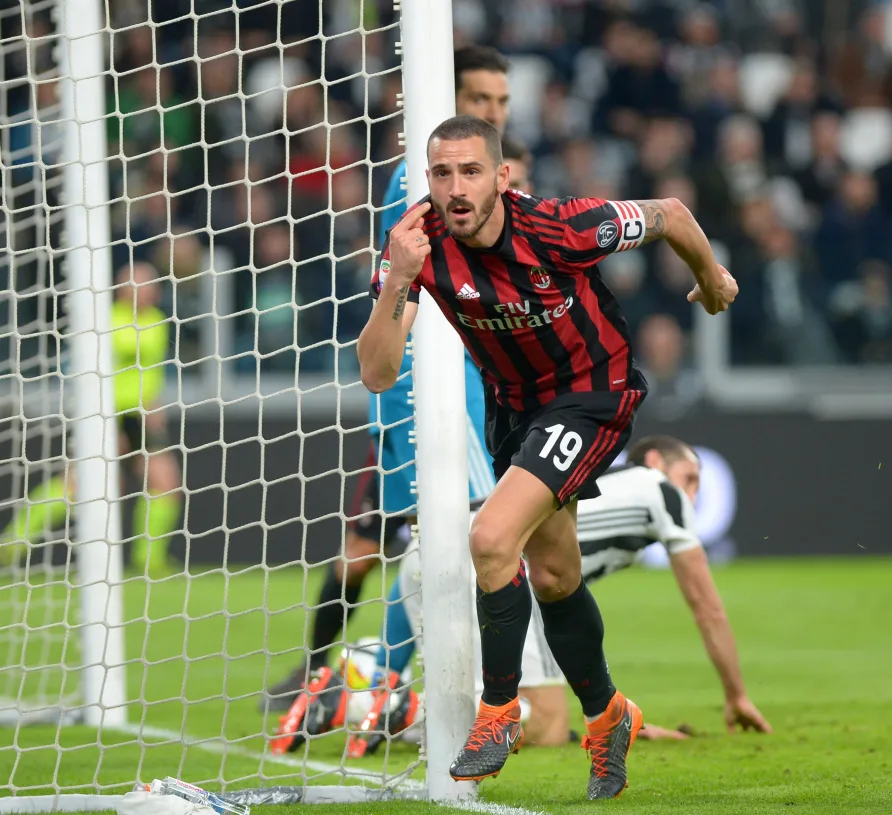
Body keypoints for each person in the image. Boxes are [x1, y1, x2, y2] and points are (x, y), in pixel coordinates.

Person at [358, 114, 737, 799]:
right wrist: (396, 282)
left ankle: (499, 711)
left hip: (593, 392)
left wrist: (710, 280)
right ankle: (610, 715)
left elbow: (672, 214)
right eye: (441, 174)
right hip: (517, 410)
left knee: (492, 535)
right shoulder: (415, 244)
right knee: (557, 574)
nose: (455, 188)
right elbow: (379, 372)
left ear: (502, 176)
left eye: (471, 171)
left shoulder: (561, 227)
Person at [262, 45, 514, 713]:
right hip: (430, 391)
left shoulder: (469, 179)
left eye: (500, 101)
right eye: (480, 98)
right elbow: (410, 287)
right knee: (448, 537)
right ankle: (362, 681)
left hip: (437, 390)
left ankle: (349, 682)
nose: (493, 111)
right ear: (448, 97)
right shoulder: (426, 182)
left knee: (397, 543)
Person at [362, 434, 771, 753]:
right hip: (487, 562)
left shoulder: (596, 488)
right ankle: (369, 707)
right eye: (689, 478)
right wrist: (735, 695)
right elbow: (707, 608)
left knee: (524, 716)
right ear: (654, 463)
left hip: (434, 550)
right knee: (542, 723)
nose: (694, 495)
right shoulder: (661, 490)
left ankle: (363, 673)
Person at [0, 263, 181, 577]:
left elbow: (151, 371)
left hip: (140, 415)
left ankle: (150, 561)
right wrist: (100, 414)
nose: (144, 289)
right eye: (135, 283)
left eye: (149, 283)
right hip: (104, 413)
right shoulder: (106, 319)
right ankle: (12, 543)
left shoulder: (157, 321)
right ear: (121, 288)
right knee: (81, 485)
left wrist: (155, 403)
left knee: (165, 481)